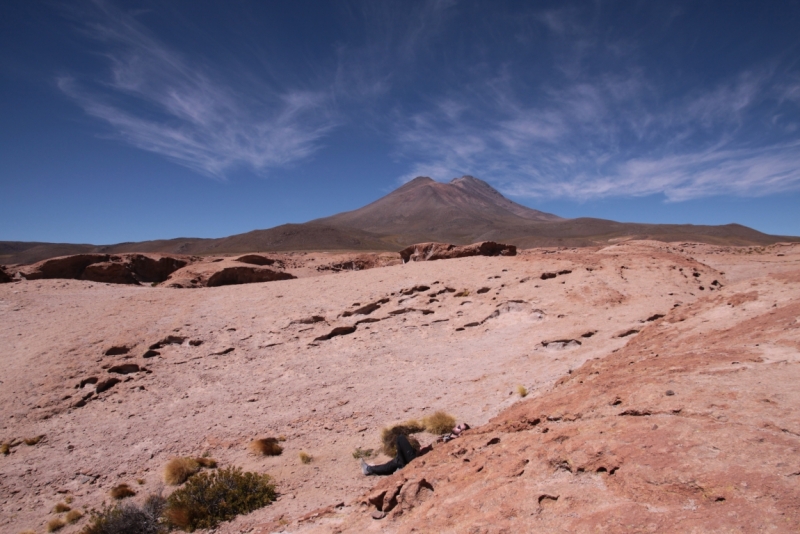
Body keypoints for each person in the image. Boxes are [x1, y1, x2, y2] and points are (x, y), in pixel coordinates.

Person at [360, 423, 470, 476]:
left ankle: (400, 466)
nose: (456, 426)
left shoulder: (452, 442)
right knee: (397, 461)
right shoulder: (446, 437)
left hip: (418, 461)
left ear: (462, 433)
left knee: (400, 438)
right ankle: (370, 469)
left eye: (459, 427)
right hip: (418, 455)